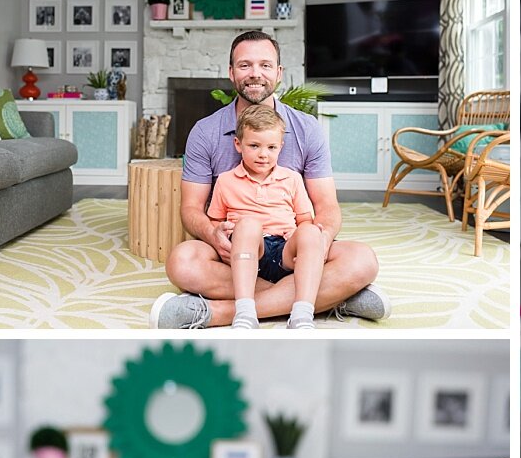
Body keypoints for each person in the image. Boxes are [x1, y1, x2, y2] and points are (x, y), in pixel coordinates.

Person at [150, 31, 389, 330]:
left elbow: (327, 206)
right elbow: (191, 209)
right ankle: (330, 297)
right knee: (182, 262)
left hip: (293, 247)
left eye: (265, 65)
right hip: (237, 249)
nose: (255, 74)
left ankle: (216, 313)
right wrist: (214, 236)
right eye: (244, 65)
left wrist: (318, 245)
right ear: (230, 72)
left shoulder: (307, 129)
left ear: (278, 73)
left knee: (362, 260)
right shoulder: (205, 131)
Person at [205, 104, 327, 332]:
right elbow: (214, 221)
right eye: (254, 146)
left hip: (284, 251)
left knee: (312, 232)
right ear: (238, 145)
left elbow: (304, 219)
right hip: (248, 250)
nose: (263, 154)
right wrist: (219, 232)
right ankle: (245, 312)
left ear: (281, 147)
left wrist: (302, 238)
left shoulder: (291, 179)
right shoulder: (225, 180)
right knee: (249, 224)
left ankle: (302, 314)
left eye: (271, 147)